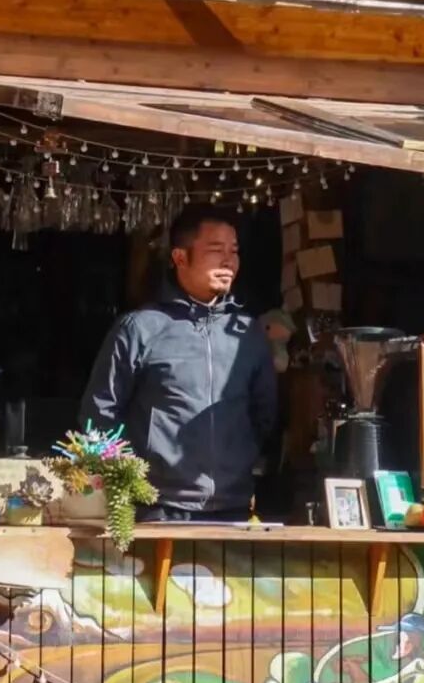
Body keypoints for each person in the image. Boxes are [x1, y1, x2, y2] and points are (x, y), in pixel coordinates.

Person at [80, 204, 277, 521]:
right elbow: (98, 417)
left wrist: (239, 459)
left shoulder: (247, 333)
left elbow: (264, 415)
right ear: (180, 257)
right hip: (156, 510)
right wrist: (128, 482)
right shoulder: (140, 328)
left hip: (233, 509)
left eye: (234, 251)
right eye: (216, 250)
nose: (228, 261)